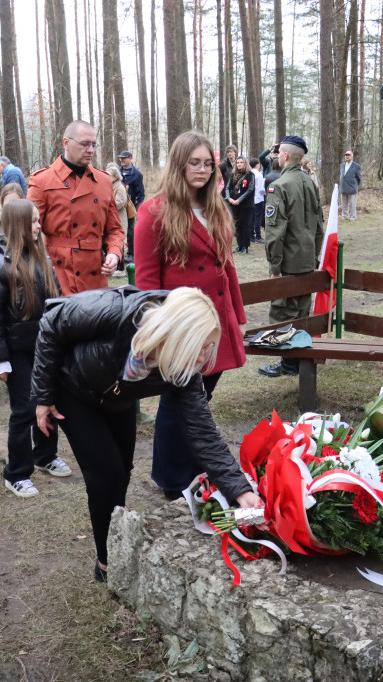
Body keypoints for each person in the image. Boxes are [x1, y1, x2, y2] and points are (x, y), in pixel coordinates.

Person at [31, 286, 263, 581]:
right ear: (178, 334)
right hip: (73, 388)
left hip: (117, 398)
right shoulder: (117, 312)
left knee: (123, 469)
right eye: (199, 345)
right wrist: (42, 394)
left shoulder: (184, 370)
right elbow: (52, 321)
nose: (203, 356)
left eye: (207, 347)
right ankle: (107, 562)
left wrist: (239, 489)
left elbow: (202, 432)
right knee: (106, 474)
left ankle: (116, 529)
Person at [134, 130, 248, 500]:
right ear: (179, 165)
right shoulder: (154, 211)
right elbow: (147, 282)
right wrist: (160, 331)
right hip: (182, 325)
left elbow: (226, 265)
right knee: (178, 399)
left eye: (207, 164)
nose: (201, 170)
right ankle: (171, 477)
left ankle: (196, 468)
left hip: (217, 320)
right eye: (194, 163)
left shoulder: (215, 205)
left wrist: (238, 316)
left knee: (200, 397)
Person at [0, 198, 69, 498]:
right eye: (32, 221)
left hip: (44, 347)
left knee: (50, 400)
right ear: (17, 225)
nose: (38, 225)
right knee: (25, 410)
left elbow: (55, 304)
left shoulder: (42, 258)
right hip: (16, 351)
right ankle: (16, 472)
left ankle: (45, 455)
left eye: (38, 219)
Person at [27, 120, 124, 294]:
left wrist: (114, 254)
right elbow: (26, 230)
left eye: (94, 144)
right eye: (85, 144)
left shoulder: (104, 181)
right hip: (58, 273)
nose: (91, 150)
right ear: (66, 143)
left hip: (95, 275)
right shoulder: (41, 180)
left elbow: (115, 229)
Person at [260, 135, 324, 377]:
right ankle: (296, 361)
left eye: (277, 154)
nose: (275, 157)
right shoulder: (310, 184)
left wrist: (274, 266)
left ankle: (288, 363)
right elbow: (319, 226)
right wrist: (314, 256)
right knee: (301, 312)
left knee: (283, 312)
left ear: (285, 156)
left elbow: (275, 233)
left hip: (288, 263)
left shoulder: (280, 186)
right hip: (307, 260)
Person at [118, 151, 145, 263]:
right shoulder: (118, 172)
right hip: (118, 207)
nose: (122, 160)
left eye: (124, 158)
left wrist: (137, 207)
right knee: (117, 231)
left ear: (130, 158)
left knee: (130, 231)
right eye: (120, 158)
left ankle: (131, 254)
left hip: (130, 207)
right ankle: (119, 254)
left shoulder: (137, 174)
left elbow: (141, 193)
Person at [226, 156, 255, 254]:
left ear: (245, 163)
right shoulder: (233, 175)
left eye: (241, 162)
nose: (239, 164)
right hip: (234, 204)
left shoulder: (250, 175)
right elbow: (227, 187)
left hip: (246, 205)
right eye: (237, 162)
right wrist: (229, 198)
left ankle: (245, 247)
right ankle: (239, 245)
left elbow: (250, 190)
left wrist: (239, 200)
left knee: (245, 225)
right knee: (237, 225)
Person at [106, 163, 129, 237]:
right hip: (111, 218)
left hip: (119, 218)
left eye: (109, 176)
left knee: (118, 238)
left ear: (115, 177)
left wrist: (105, 204)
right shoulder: (110, 185)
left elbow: (120, 203)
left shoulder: (120, 187)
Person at [339, 150, 361, 221]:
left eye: (348, 155)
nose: (347, 156)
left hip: (352, 188)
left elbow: (359, 178)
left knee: (352, 204)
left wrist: (354, 185)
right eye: (346, 155)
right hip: (343, 187)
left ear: (352, 156)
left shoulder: (356, 166)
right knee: (344, 203)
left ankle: (352, 217)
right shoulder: (342, 165)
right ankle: (345, 216)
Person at [251, 157, 266, 244]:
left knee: (252, 218)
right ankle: (258, 237)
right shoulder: (259, 174)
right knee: (258, 219)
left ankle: (251, 235)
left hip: (251, 199)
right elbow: (261, 188)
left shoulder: (249, 173)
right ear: (257, 165)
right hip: (259, 198)